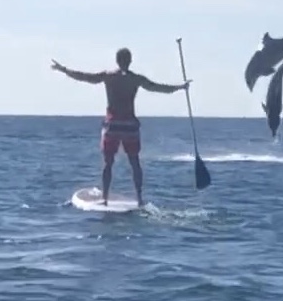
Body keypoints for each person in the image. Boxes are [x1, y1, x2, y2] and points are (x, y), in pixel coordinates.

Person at [51, 47, 190, 207]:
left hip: (113, 124)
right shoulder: (136, 79)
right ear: (130, 61)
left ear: (117, 61)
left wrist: (63, 70)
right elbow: (158, 88)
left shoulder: (108, 77)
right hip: (130, 125)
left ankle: (105, 198)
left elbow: (84, 77)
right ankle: (139, 198)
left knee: (108, 162)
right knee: (134, 162)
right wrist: (180, 87)